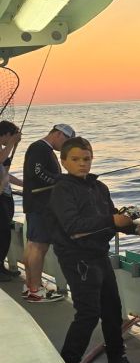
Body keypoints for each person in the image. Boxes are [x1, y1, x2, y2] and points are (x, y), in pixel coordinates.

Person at [48, 136, 140, 363]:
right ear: (64, 162)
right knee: (87, 312)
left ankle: (117, 360)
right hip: (77, 259)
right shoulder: (62, 190)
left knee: (112, 308)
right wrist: (111, 219)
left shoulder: (99, 187)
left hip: (98, 255)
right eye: (75, 160)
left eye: (86, 159)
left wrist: (134, 228)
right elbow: (74, 227)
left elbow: (111, 218)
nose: (82, 164)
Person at [22, 121, 76, 302]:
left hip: (36, 205)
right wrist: (59, 180)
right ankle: (35, 291)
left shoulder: (42, 149)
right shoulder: (40, 148)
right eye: (66, 143)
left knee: (32, 245)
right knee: (39, 247)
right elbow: (36, 172)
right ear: (59, 134)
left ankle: (30, 286)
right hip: (41, 206)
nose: (66, 148)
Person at [0, 120, 23, 282]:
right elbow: (1, 159)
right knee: (2, 233)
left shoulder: (3, 151)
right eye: (11, 136)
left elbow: (5, 174)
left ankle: (1, 266)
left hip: (6, 195)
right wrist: (12, 143)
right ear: (7, 134)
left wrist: (24, 184)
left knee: (5, 233)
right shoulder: (2, 152)